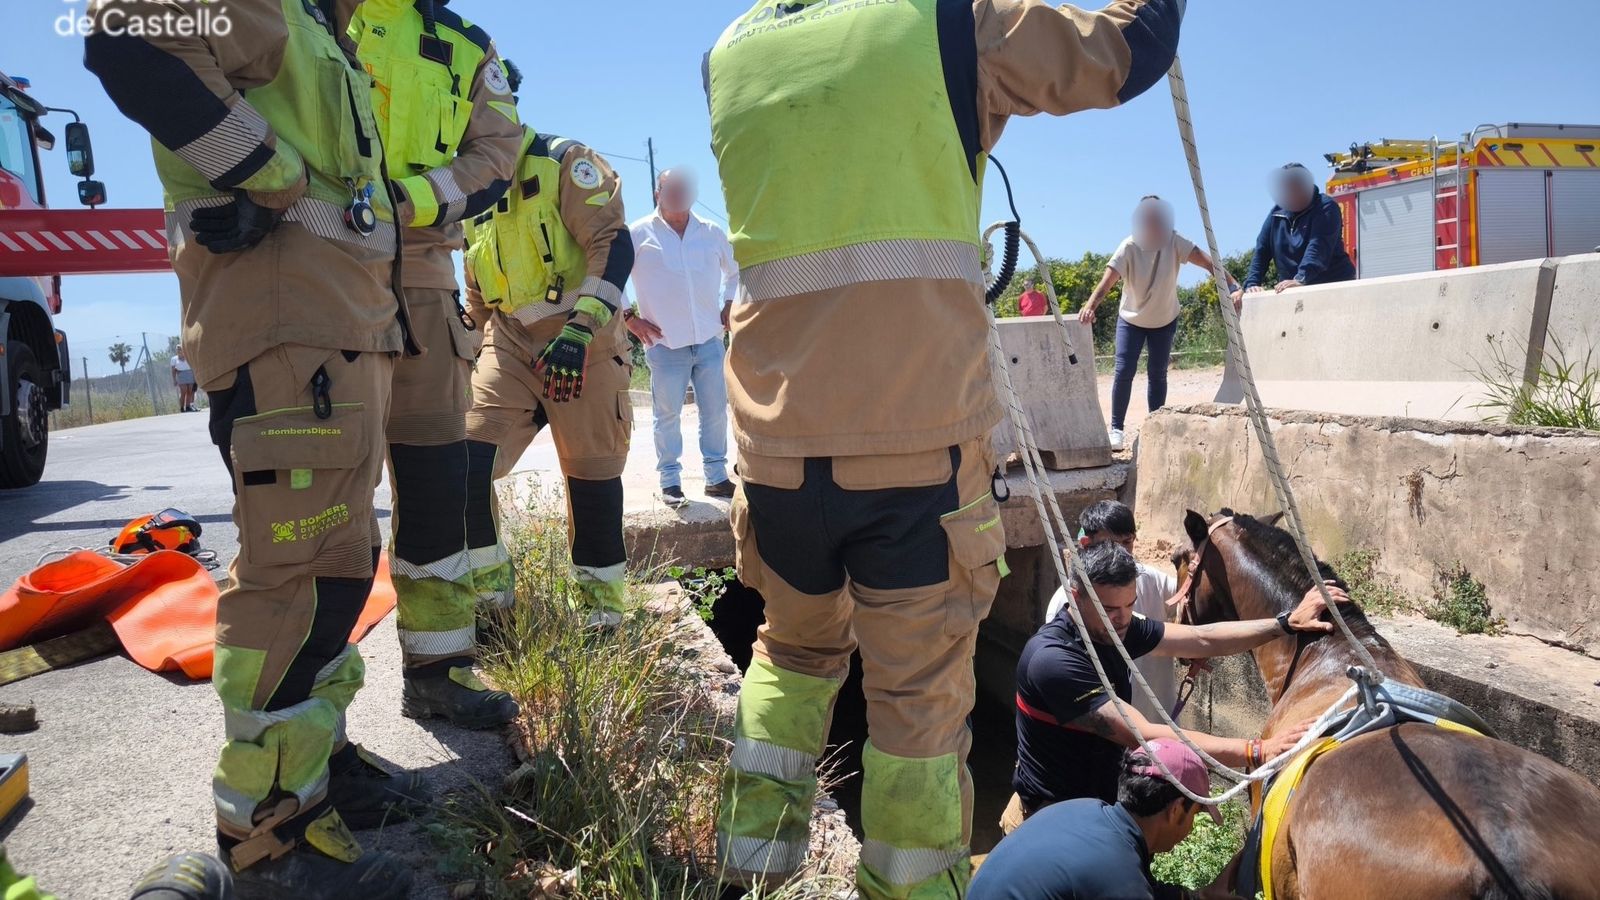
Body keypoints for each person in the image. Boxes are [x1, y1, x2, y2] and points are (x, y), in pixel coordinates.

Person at [704, 1, 1186, 897]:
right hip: (912, 454)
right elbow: (1129, 52)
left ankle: (746, 876)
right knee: (915, 706)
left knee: (791, 657)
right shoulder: (944, 18)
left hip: (772, 448)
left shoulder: (730, 49)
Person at [86, 1, 420, 893]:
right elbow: (122, 34)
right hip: (286, 332)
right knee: (299, 582)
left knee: (339, 565)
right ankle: (273, 841)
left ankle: (320, 770)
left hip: (336, 332)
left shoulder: (319, 20)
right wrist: (261, 173)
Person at [350, 0, 524, 730]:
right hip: (323, 271)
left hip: (423, 279)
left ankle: (436, 673)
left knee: (436, 490)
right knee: (325, 505)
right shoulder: (310, 14)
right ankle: (314, 740)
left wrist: (408, 201)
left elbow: (497, 153)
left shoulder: (465, 45)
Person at [1004, 542, 1348, 833]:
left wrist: (1285, 622)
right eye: (1110, 608)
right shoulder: (1053, 660)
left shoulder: (1113, 629)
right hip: (1050, 818)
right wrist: (1256, 751)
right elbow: (1144, 734)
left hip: (1096, 804)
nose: (1124, 618)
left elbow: (1200, 639)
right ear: (1076, 598)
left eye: (1130, 604)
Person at [459, 112, 635, 630]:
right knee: (463, 466)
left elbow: (612, 245)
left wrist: (580, 330)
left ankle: (601, 619)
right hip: (510, 343)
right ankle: (494, 608)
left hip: (584, 343)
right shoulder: (473, 188)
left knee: (592, 481)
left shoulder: (566, 162)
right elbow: (475, 290)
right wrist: (463, 344)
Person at [971, 742, 1226, 900]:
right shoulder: (1118, 875)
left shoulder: (1083, 809)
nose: (1191, 830)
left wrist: (1196, 897)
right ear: (1176, 809)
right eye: (1195, 815)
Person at [1078, 196, 1236, 450]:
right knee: (1124, 370)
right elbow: (1107, 282)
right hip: (1131, 319)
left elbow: (1208, 262)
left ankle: (1156, 425)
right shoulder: (1129, 246)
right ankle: (1116, 428)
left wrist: (1232, 284)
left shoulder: (1175, 241)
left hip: (1164, 319)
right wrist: (1090, 306)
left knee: (1158, 373)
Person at [626, 168, 739, 507]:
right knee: (667, 415)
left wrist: (730, 304)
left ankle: (716, 478)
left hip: (708, 340)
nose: (678, 193)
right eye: (670, 188)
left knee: (716, 411)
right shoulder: (637, 233)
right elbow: (612, 278)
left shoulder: (711, 232)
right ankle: (670, 482)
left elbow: (735, 271)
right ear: (657, 194)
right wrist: (630, 320)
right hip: (664, 345)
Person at [1044, 500, 1183, 720]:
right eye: (1110, 544)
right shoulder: (1065, 602)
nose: (1122, 553)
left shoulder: (1152, 580)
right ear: (1086, 543)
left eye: (1127, 542)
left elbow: (1190, 600)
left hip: (1159, 731)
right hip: (1105, 738)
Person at [1234, 163, 1356, 301]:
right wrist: (1252, 284)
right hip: (1296, 290)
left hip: (1332, 286)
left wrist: (1301, 278)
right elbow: (1262, 249)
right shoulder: (1277, 214)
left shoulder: (1325, 207)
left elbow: (1317, 246)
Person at [171, 347, 197, 413]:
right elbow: (173, 370)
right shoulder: (174, 359)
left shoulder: (188, 356)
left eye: (181, 349)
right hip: (181, 375)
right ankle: (182, 408)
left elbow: (193, 366)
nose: (179, 351)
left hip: (190, 373)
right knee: (183, 392)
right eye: (178, 349)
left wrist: (195, 377)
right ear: (176, 351)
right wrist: (174, 379)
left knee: (190, 391)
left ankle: (188, 407)